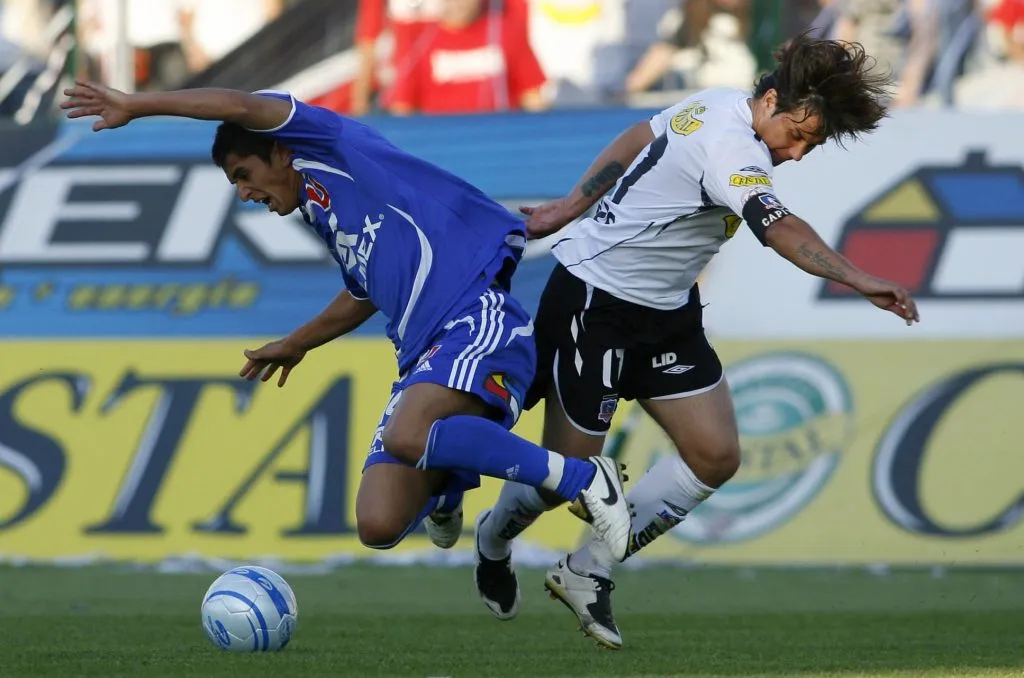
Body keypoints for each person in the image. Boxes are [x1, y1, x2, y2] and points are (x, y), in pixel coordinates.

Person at [471, 34, 920, 649]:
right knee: (568, 475)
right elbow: (777, 227)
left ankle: (586, 571)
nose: (798, 153)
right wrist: (857, 276)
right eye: (801, 136)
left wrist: (569, 204)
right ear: (770, 102)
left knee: (714, 455)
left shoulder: (715, 103)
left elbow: (640, 135)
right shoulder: (734, 148)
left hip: (666, 313)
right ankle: (494, 539)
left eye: (812, 144)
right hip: (593, 301)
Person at [60, 81, 633, 562]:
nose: (243, 192)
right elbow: (363, 292)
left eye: (243, 173)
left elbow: (238, 105)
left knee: (411, 435)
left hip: (474, 316)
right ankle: (449, 484)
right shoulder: (319, 207)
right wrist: (296, 343)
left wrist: (137, 105)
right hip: (420, 351)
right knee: (378, 524)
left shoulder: (328, 142)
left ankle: (584, 480)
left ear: (278, 150)